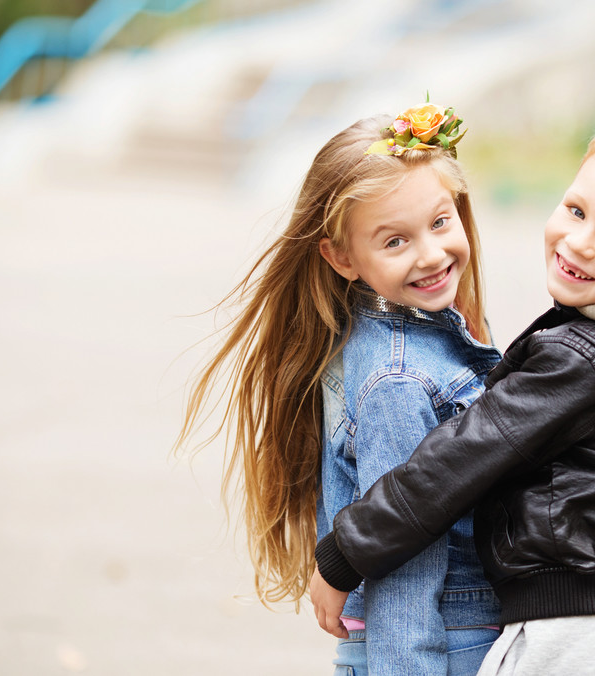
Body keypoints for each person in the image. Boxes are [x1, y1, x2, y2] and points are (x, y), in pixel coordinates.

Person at [310, 102, 595, 675]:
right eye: (576, 210)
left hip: (578, 629)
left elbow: (457, 461)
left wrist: (344, 554)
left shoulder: (585, 358)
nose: (580, 242)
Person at [176, 102, 502, 675]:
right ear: (342, 257)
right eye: (394, 242)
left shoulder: (390, 334)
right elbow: (404, 559)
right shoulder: (398, 380)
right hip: (442, 644)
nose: (431, 253)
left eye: (440, 222)